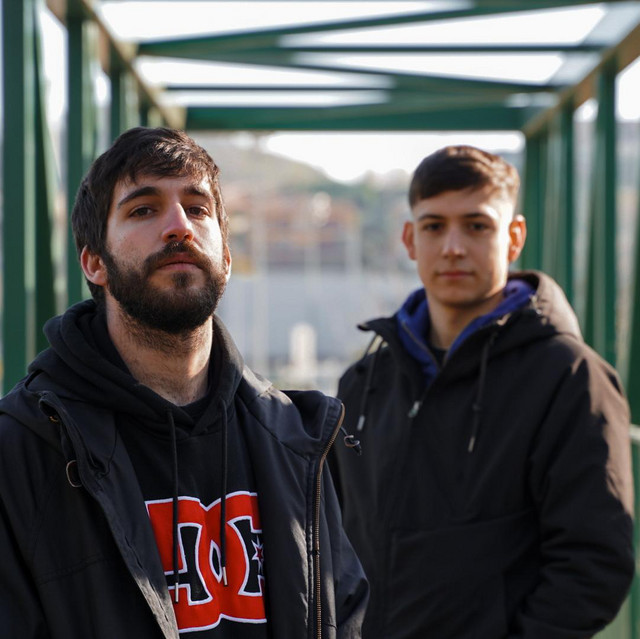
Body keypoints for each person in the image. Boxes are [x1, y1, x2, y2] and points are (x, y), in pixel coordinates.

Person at [0, 127, 367, 638]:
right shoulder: (23, 447)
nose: (179, 227)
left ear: (227, 259)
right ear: (95, 262)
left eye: (197, 209)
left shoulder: (295, 440)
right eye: (143, 210)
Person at [329, 145, 634, 639]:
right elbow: (332, 542)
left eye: (476, 225)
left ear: (514, 238)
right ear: (410, 239)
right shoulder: (364, 381)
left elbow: (593, 563)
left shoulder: (571, 377)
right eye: (434, 226)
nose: (453, 247)